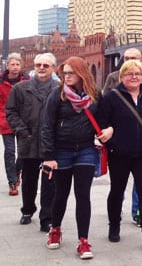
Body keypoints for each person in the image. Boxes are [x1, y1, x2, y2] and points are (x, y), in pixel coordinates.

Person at [41, 56, 108, 259]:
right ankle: (55, 230)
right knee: (61, 193)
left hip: (86, 150)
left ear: (81, 74)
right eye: (65, 73)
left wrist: (107, 131)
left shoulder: (95, 94)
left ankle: (83, 241)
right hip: (62, 151)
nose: (67, 76)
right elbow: (47, 126)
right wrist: (49, 156)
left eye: (71, 73)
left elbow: (103, 119)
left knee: (83, 195)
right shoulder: (58, 94)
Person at [98, 59, 142, 250]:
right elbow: (102, 122)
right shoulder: (111, 97)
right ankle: (114, 227)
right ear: (122, 76)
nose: (134, 77)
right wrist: (112, 141)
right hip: (119, 154)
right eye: (129, 74)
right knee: (117, 191)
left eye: (137, 73)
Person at [5, 53, 59, 232]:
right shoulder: (21, 88)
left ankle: (47, 217)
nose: (42, 68)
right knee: (29, 179)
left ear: (53, 68)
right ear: (33, 67)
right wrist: (21, 130)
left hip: (50, 142)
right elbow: (11, 112)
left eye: (46, 65)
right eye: (38, 65)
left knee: (50, 181)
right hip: (28, 141)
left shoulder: (59, 88)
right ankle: (27, 210)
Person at [0, 53, 29, 195]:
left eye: (18, 64)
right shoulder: (0, 82)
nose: (15, 67)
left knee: (24, 151)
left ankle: (18, 170)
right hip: (6, 121)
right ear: (7, 66)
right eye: (13, 64)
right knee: (10, 152)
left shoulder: (27, 80)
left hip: (23, 121)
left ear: (21, 66)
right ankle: (12, 182)